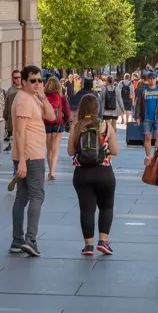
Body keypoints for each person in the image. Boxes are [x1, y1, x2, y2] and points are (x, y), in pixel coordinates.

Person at [10, 65, 56, 257]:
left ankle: (18, 240)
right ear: (24, 81)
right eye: (33, 81)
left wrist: (43, 97)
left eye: (40, 80)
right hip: (30, 155)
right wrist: (21, 160)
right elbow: (19, 132)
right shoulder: (23, 101)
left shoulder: (33, 98)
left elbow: (52, 117)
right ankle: (29, 239)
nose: (38, 84)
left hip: (32, 153)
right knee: (36, 195)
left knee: (23, 196)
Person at [67, 93, 119, 256]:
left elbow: (70, 152)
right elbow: (116, 151)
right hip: (104, 171)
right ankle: (103, 242)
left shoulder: (77, 127)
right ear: (97, 108)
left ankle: (88, 245)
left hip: (82, 173)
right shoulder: (105, 126)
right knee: (106, 206)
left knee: (86, 209)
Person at [134, 72, 158, 160]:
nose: (152, 80)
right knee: (147, 137)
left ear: (156, 79)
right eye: (150, 78)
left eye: (153, 78)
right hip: (146, 118)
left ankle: (157, 156)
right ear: (147, 79)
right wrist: (137, 117)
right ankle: (149, 156)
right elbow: (138, 104)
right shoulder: (143, 91)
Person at [43, 77, 70, 180]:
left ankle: (49, 170)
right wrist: (68, 123)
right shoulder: (61, 97)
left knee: (49, 148)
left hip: (46, 124)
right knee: (55, 149)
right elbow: (67, 112)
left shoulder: (44, 97)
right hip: (58, 124)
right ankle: (52, 172)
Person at [3, 70, 22, 155]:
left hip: (24, 121)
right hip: (13, 122)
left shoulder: (26, 89)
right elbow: (6, 108)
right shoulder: (10, 91)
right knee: (15, 146)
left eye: (19, 77)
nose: (18, 79)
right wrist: (7, 123)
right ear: (13, 79)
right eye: (16, 78)